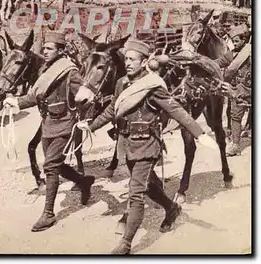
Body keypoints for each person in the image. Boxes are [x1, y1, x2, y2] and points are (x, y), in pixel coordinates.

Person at [79, 38, 217, 255]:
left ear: (144, 62)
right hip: (126, 144)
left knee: (135, 193)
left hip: (146, 145)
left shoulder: (152, 86)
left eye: (133, 60)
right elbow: (112, 110)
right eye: (127, 59)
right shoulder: (121, 83)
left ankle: (125, 244)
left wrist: (199, 134)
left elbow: (176, 111)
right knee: (148, 186)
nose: (129, 63)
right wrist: (91, 126)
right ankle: (172, 208)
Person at [3, 31, 95, 232]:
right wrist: (16, 102)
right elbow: (35, 96)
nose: (44, 51)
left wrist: (81, 117)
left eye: (49, 48)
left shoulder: (70, 71)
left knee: (51, 167)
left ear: (61, 51)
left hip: (64, 124)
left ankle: (48, 214)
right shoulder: (46, 68)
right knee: (57, 165)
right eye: (44, 48)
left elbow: (85, 96)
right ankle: (84, 181)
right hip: (47, 123)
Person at [222, 24, 251, 156]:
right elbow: (219, 61)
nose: (234, 44)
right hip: (239, 90)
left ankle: (236, 145)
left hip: (247, 89)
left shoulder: (249, 52)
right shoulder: (232, 53)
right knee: (235, 117)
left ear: (244, 40)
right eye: (233, 41)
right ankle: (236, 145)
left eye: (237, 41)